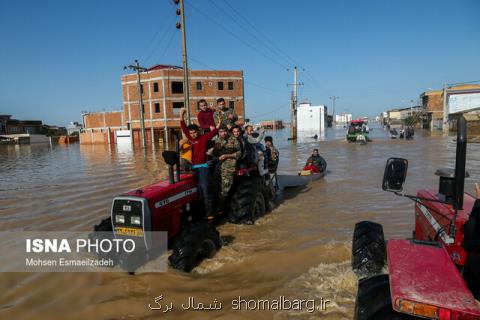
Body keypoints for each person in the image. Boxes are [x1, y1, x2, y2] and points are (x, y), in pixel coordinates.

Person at [179, 108, 219, 218]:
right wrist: (181, 115)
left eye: (194, 132)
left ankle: (210, 214)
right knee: (197, 190)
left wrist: (218, 123)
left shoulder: (204, 138)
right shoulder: (191, 139)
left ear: (198, 131)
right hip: (194, 168)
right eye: (191, 133)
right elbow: (184, 127)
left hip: (203, 167)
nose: (193, 134)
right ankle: (198, 213)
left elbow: (214, 132)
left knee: (205, 189)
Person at [213, 126, 242, 210]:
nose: (223, 133)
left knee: (225, 187)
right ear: (219, 132)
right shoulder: (217, 141)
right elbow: (215, 153)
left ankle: (222, 207)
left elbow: (239, 153)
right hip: (218, 165)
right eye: (221, 131)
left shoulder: (233, 140)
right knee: (216, 186)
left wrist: (227, 155)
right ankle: (218, 205)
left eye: (224, 131)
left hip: (229, 166)